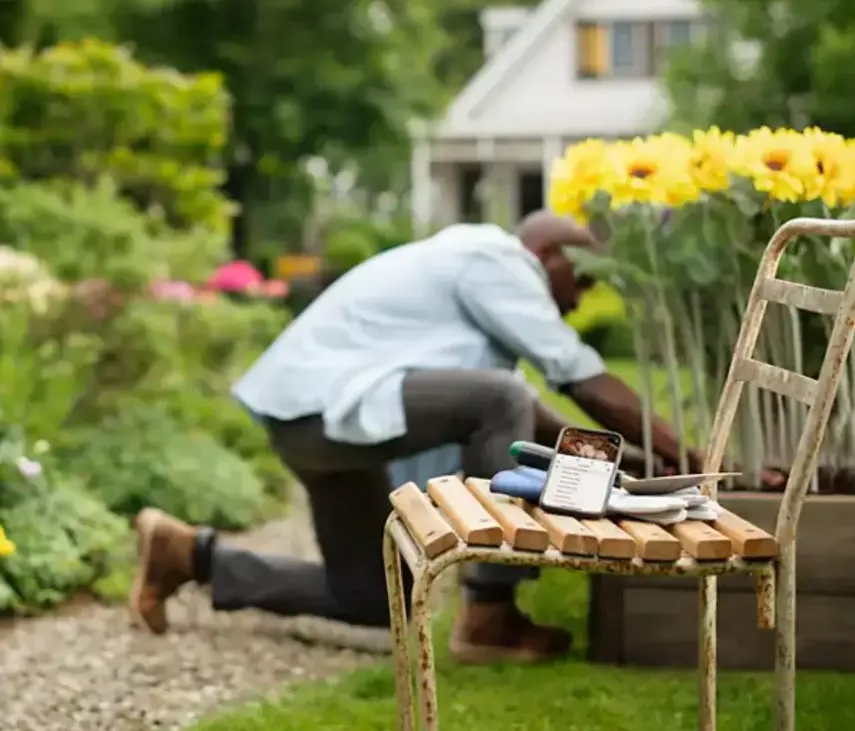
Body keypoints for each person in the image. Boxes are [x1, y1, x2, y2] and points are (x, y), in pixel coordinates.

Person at [128, 211, 764, 664]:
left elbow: (536, 422)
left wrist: (655, 464)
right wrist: (697, 458)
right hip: (331, 406)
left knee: (377, 598)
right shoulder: (496, 259)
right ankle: (490, 613)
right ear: (548, 256)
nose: (578, 302)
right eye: (584, 281)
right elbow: (578, 378)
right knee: (501, 398)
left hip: (313, 415)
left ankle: (189, 556)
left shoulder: (468, 274)